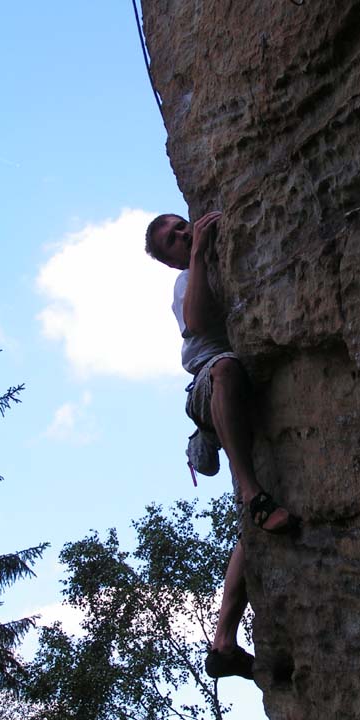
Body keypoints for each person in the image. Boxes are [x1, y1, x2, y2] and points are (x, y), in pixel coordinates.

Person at [145, 211, 298, 680]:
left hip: (231, 390)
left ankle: (224, 642)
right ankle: (253, 495)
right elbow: (196, 321)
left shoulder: (207, 261)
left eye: (180, 225)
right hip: (208, 382)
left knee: (249, 533)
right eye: (172, 239)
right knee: (226, 368)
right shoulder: (185, 281)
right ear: (172, 259)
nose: (182, 232)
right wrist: (195, 255)